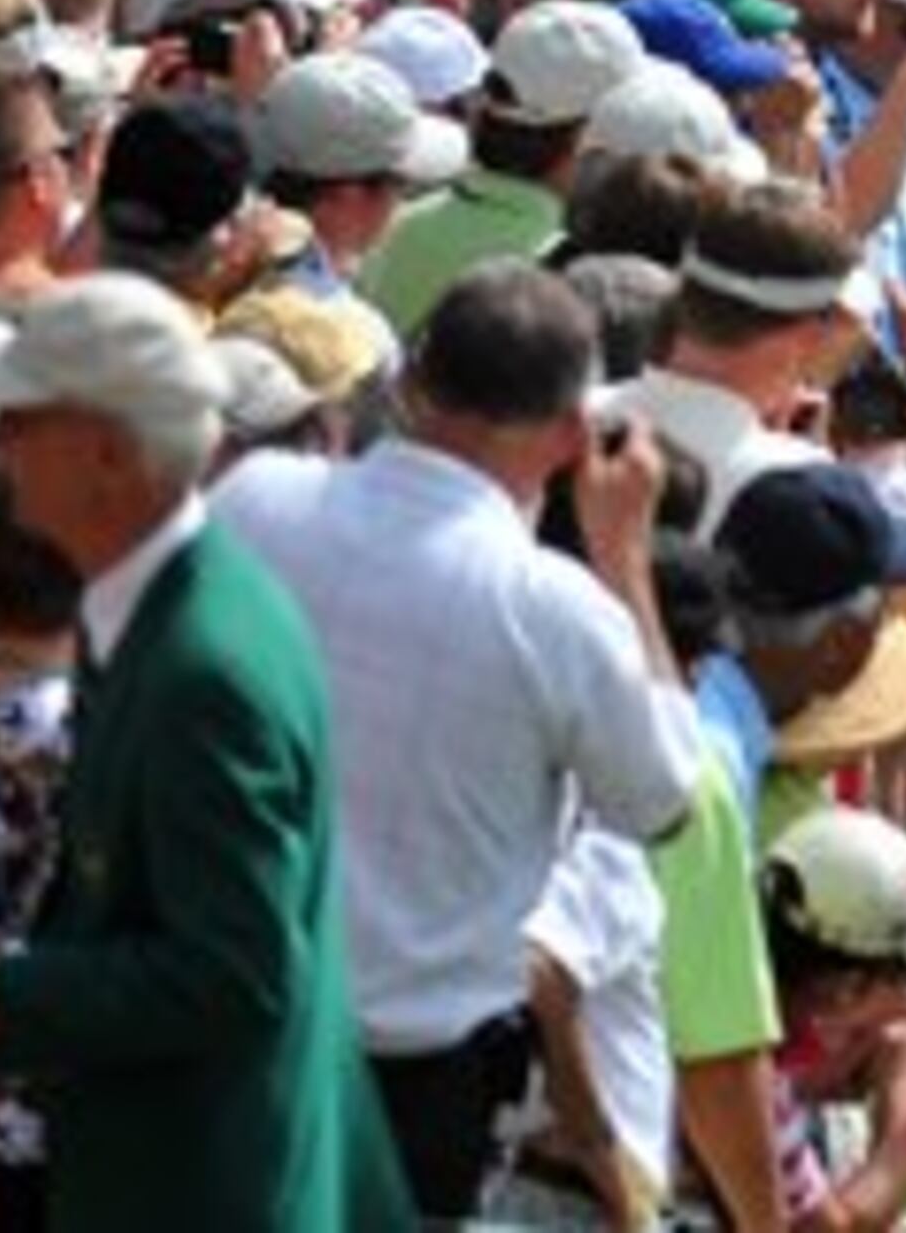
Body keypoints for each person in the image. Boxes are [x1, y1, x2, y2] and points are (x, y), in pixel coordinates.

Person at [0, 272, 416, 1231]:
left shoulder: (204, 667)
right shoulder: (159, 615)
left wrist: (9, 998)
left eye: (20, 424)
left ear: (108, 453)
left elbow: (237, 969)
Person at [214, 265, 703, 1220]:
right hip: (402, 1071)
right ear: (568, 437)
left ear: (411, 384)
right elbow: (663, 797)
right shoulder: (555, 609)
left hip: (236, 1030)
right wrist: (626, 563)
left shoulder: (253, 503)